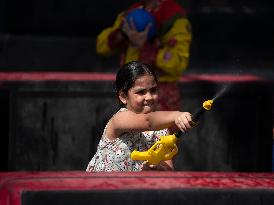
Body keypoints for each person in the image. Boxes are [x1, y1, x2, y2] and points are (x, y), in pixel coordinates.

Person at [86, 61, 193, 172]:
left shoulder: (161, 130)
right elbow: (148, 122)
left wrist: (158, 168)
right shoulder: (119, 119)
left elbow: (169, 168)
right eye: (141, 92)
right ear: (123, 96)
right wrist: (176, 115)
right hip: (101, 186)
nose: (149, 97)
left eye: (153, 90)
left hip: (133, 188)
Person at [96, 0, 192, 111]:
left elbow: (178, 62)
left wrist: (146, 47)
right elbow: (102, 47)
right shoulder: (131, 13)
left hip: (160, 95)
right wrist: (122, 34)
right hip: (130, 90)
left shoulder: (174, 17)